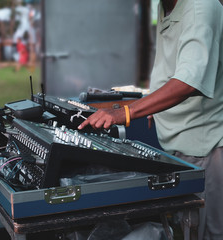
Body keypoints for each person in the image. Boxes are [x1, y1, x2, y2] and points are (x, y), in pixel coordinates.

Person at [78, 0, 223, 239]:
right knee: (186, 228)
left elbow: (188, 81)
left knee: (208, 232)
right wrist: (154, 106)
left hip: (205, 144)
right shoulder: (165, 6)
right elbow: (175, 68)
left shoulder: (201, 6)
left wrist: (126, 113)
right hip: (176, 140)